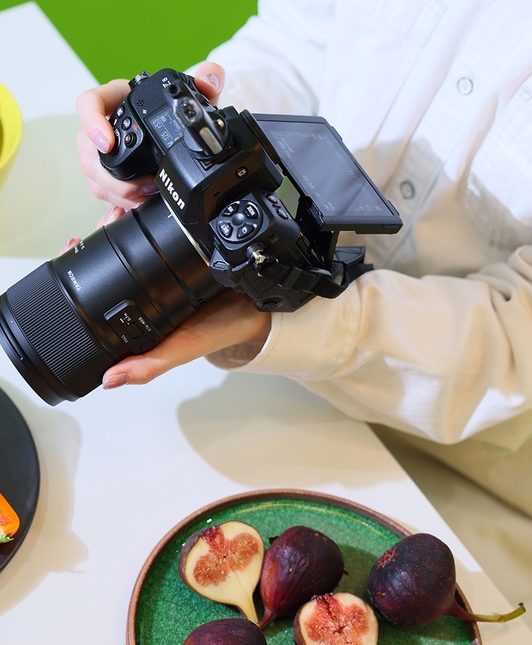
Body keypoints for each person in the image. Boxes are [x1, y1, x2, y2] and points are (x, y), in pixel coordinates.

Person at [73, 0, 532, 605]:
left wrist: (288, 321)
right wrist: (193, 136)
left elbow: (519, 335)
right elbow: (298, 42)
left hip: (463, 468)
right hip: (267, 380)